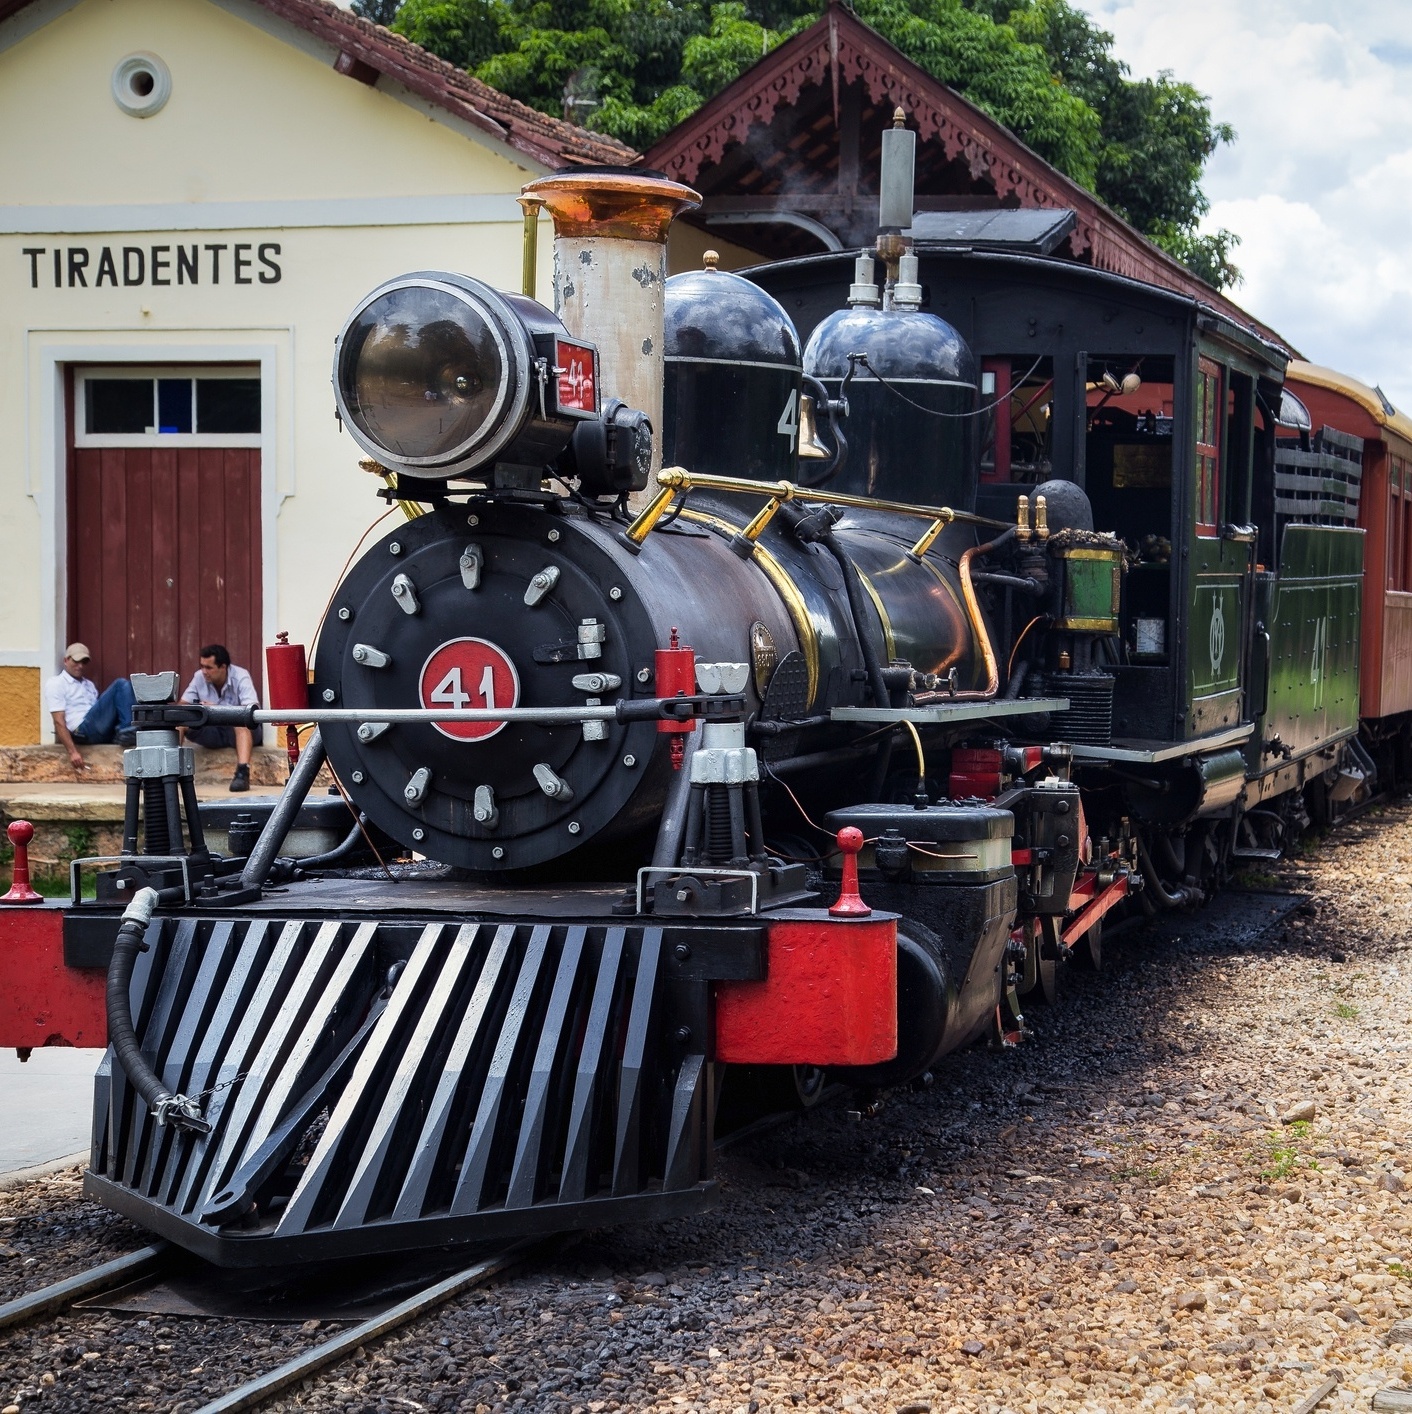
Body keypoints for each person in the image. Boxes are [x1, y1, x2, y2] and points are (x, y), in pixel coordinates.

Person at [180, 644, 261, 792]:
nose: (204, 672)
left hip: (241, 732)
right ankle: (172, 769)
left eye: (209, 668)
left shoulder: (241, 675)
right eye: (202, 666)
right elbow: (182, 706)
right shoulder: (199, 676)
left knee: (241, 721)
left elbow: (251, 710)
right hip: (213, 731)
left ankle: (242, 774)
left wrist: (216, 707)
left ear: (223, 667)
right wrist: (198, 709)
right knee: (179, 722)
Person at [43, 643, 136, 771]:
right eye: (76, 661)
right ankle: (128, 730)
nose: (80, 666)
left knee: (128, 687)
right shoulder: (56, 683)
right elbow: (58, 721)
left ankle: (126, 731)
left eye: (84, 662)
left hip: (97, 729)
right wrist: (72, 752)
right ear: (66, 660)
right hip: (82, 730)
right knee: (120, 685)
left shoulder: (89, 685)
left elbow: (100, 714)